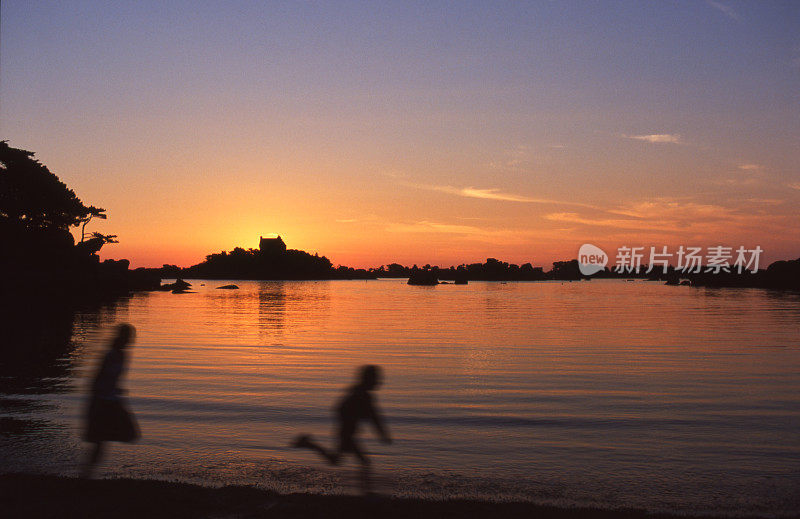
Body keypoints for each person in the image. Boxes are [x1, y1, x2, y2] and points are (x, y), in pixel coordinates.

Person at [292, 365, 391, 494]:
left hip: (346, 433)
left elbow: (367, 415)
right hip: (346, 434)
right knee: (363, 462)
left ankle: (308, 443)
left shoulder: (358, 393)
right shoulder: (362, 395)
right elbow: (373, 418)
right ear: (368, 379)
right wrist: (381, 434)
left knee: (336, 460)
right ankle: (367, 493)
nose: (379, 382)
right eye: (376, 379)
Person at [81, 323, 140, 478]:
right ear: (122, 337)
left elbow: (112, 379)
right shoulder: (111, 354)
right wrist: (97, 401)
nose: (131, 340)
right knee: (101, 441)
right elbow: (98, 378)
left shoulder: (121, 355)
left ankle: (86, 474)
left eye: (131, 337)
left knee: (124, 435)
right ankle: (86, 476)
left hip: (111, 401)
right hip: (103, 402)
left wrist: (117, 391)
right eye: (129, 337)